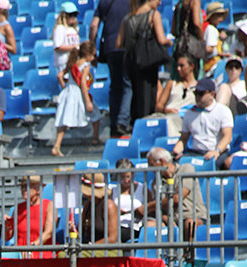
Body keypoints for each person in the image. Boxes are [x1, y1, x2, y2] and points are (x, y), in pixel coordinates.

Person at [118, 0, 172, 125]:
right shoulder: (153, 15)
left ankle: (135, 126)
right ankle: (146, 126)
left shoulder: (127, 18)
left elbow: (119, 44)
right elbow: (162, 39)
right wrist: (170, 42)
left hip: (131, 61)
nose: (160, 2)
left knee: (135, 96)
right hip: (147, 62)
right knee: (148, 98)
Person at [145, 146, 207, 240]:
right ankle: (155, 254)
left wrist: (149, 206)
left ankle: (189, 254)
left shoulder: (186, 169)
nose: (150, 169)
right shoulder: (155, 183)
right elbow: (157, 209)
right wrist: (166, 218)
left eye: (151, 164)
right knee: (150, 225)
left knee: (190, 223)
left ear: (161, 161)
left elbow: (177, 198)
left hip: (193, 216)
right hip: (171, 219)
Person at [173, 77, 233, 163]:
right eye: (195, 93)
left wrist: (217, 151)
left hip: (218, 152)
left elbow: (227, 137)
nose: (197, 97)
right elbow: (183, 138)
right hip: (195, 152)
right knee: (175, 164)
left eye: (201, 94)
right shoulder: (189, 113)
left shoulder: (223, 111)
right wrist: (175, 153)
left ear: (212, 94)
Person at [95, 0, 132, 135]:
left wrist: (93, 48)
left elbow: (94, 26)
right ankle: (122, 122)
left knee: (115, 87)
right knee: (127, 85)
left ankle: (113, 123)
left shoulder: (103, 2)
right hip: (126, 46)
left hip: (110, 48)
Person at [52, 43, 96, 156]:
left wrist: (64, 88)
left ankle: (57, 145)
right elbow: (82, 83)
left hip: (69, 92)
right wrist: (87, 102)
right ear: (87, 54)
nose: (94, 58)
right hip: (78, 93)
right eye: (93, 55)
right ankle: (95, 137)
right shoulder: (86, 65)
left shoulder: (72, 63)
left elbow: (59, 76)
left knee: (64, 120)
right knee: (95, 112)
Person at [4, 175, 55, 256]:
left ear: (38, 189)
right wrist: (7, 226)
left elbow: (48, 233)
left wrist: (32, 247)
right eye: (22, 187)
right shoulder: (17, 208)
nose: (24, 190)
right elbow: (7, 238)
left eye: (27, 186)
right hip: (20, 251)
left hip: (41, 249)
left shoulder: (49, 205)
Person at [154, 53, 200, 134]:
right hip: (167, 115)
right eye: (177, 66)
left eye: (182, 66)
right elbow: (158, 106)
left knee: (171, 120)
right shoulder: (172, 84)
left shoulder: (199, 87)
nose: (178, 69)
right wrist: (166, 110)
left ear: (191, 67)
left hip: (185, 119)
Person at [53, 2, 81, 73]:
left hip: (74, 61)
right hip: (64, 62)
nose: (73, 17)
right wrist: (73, 47)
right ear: (64, 15)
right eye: (71, 15)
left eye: (75, 15)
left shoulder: (74, 29)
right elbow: (58, 46)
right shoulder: (60, 28)